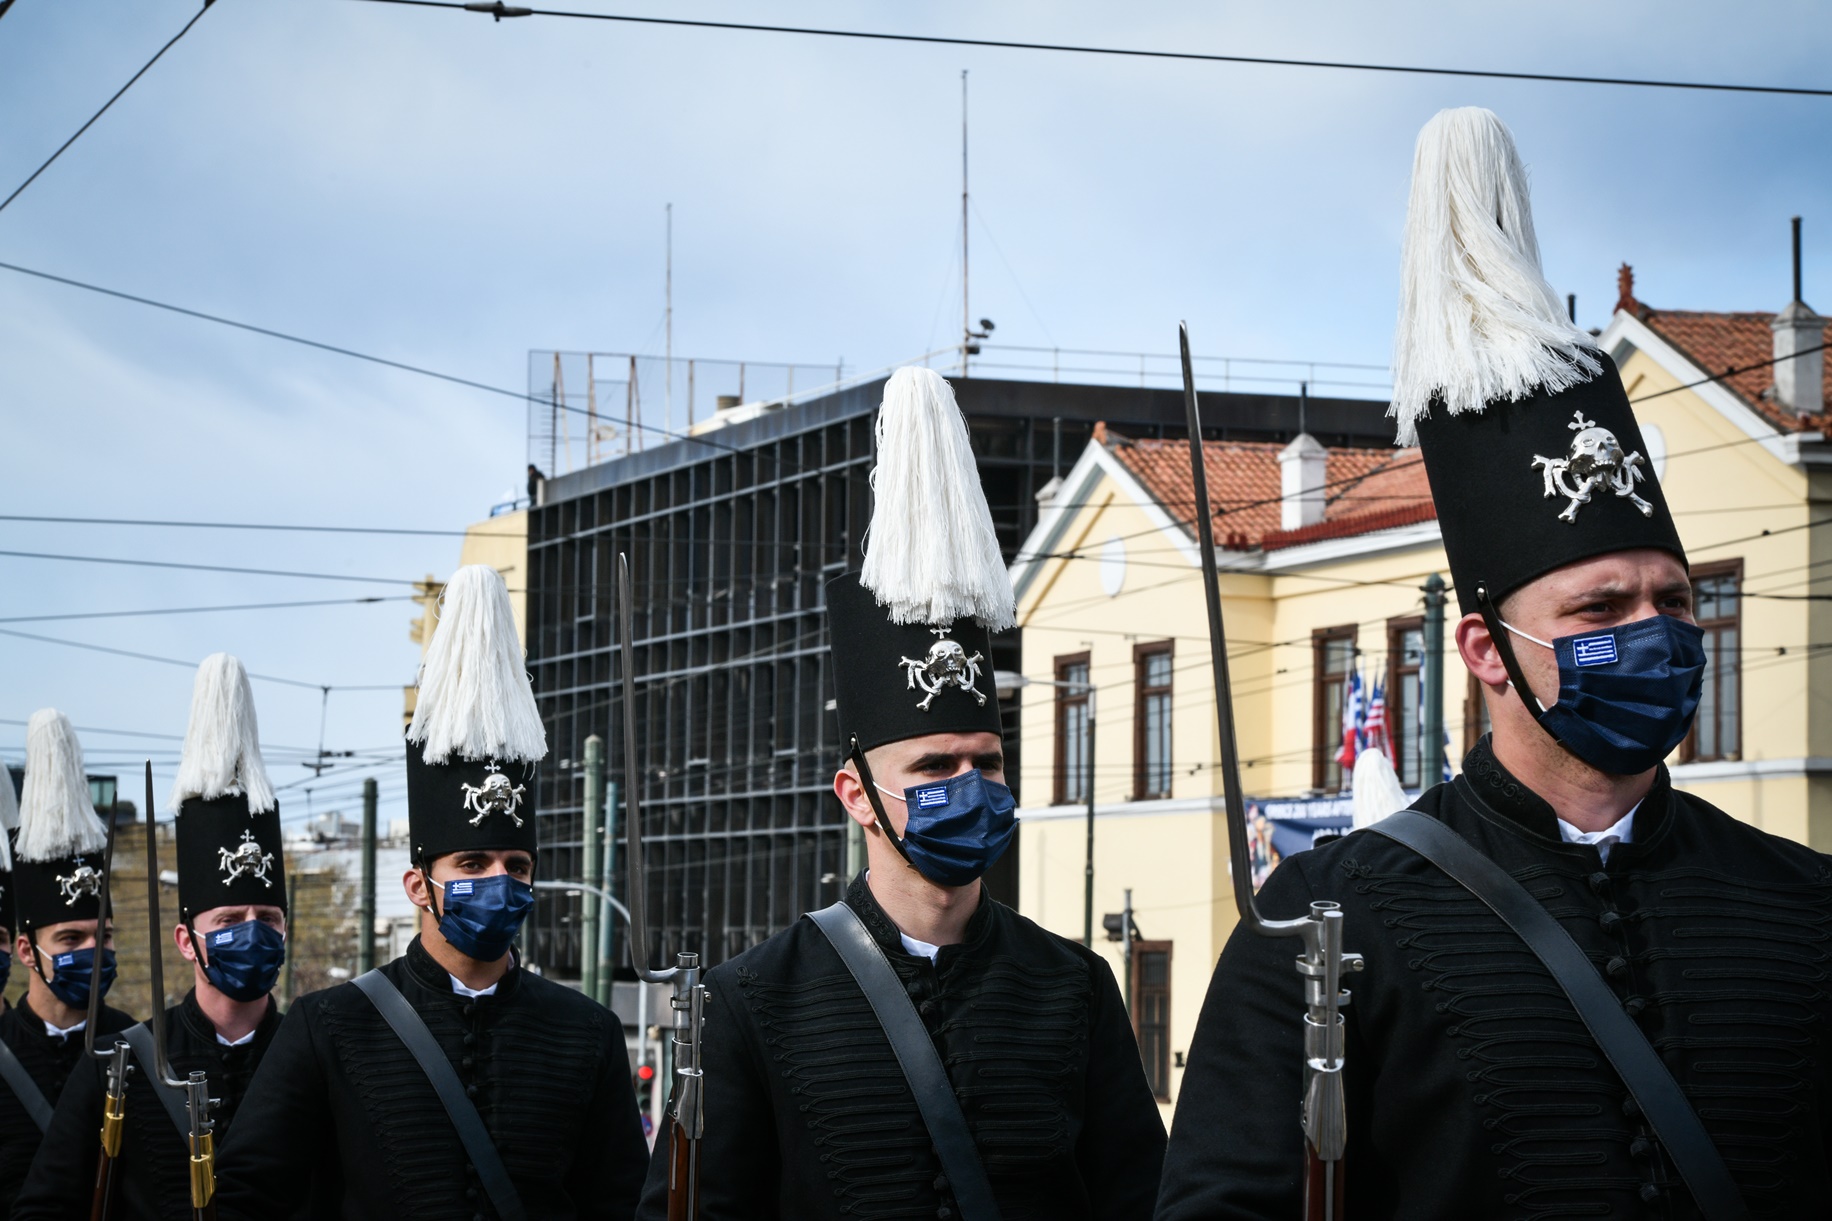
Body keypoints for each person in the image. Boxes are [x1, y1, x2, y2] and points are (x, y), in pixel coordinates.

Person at [1156, 106, 1832, 1220]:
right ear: (1483, 649)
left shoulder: (1799, 903)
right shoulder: (1328, 914)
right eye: (1599, 605)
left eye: (1673, 599)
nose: (1656, 630)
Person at [639, 367, 1166, 1221]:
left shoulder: (1075, 987)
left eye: (985, 763)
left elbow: (1141, 1200)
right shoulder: (749, 1001)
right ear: (855, 792)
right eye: (933, 767)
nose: (969, 787)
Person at [215, 564, 649, 1220]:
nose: (498, 879)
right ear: (419, 884)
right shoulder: (327, 1026)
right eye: (472, 861)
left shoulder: (587, 1033)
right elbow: (248, 1198)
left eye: (516, 863)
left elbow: (620, 1204)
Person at [16, 654, 294, 1220]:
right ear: (186, 941)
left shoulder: (315, 1050)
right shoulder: (122, 1060)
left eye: (267, 919)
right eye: (228, 920)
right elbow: (45, 1206)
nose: (252, 933)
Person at [0, 710, 134, 1211]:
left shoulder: (137, 1046)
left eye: (104, 936)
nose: (92, 952)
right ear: (26, 951)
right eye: (71, 938)